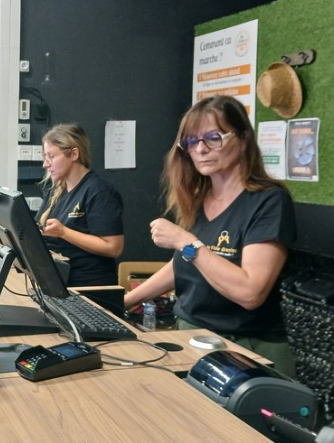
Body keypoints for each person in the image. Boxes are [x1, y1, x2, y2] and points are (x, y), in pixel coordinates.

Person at [123, 95, 296, 376]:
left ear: (241, 140)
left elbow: (250, 292)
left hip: (247, 349)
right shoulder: (198, 198)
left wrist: (185, 241)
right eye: (191, 141)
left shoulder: (269, 201)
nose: (200, 149)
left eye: (213, 138)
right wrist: (123, 300)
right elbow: (183, 263)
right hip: (190, 335)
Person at [35, 123, 125, 287]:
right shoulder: (56, 191)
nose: (46, 164)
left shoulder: (99, 192)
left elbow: (113, 248)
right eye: (45, 157)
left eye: (51, 156)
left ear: (74, 154)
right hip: (58, 280)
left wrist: (63, 232)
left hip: (88, 287)